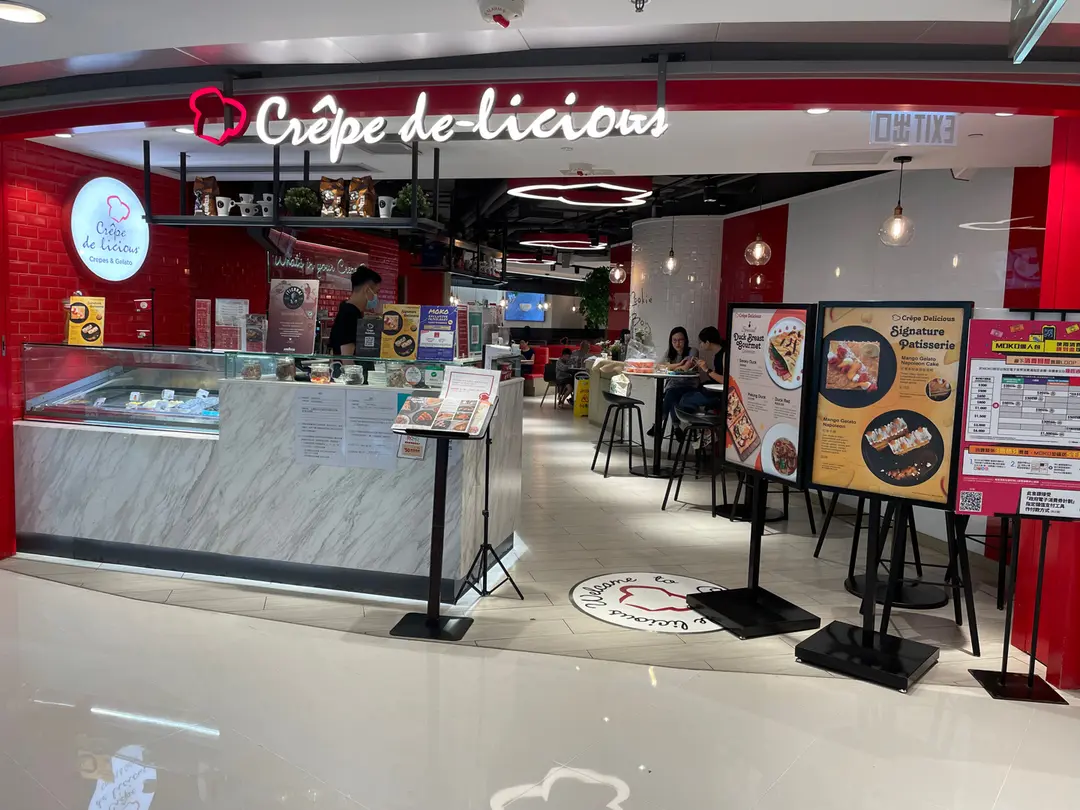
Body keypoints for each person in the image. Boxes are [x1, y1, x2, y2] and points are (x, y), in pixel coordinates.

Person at [648, 326, 697, 439]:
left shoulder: (693, 351)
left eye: (680, 340)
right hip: (673, 386)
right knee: (672, 396)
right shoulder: (670, 353)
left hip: (689, 386)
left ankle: (658, 424)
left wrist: (670, 366)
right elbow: (658, 367)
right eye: (674, 340)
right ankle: (676, 427)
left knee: (670, 395)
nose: (677, 343)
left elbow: (685, 368)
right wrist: (678, 364)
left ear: (685, 340)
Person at [328, 265, 383, 356]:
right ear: (367, 290)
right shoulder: (349, 315)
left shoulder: (350, 311)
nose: (377, 297)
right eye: (376, 292)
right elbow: (347, 357)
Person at [679, 326, 727, 412]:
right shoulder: (717, 354)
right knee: (685, 396)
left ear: (707, 342)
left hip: (720, 395)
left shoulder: (724, 354)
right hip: (715, 391)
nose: (700, 345)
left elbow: (725, 380)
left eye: (701, 342)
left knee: (685, 400)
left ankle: (697, 418)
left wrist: (707, 370)